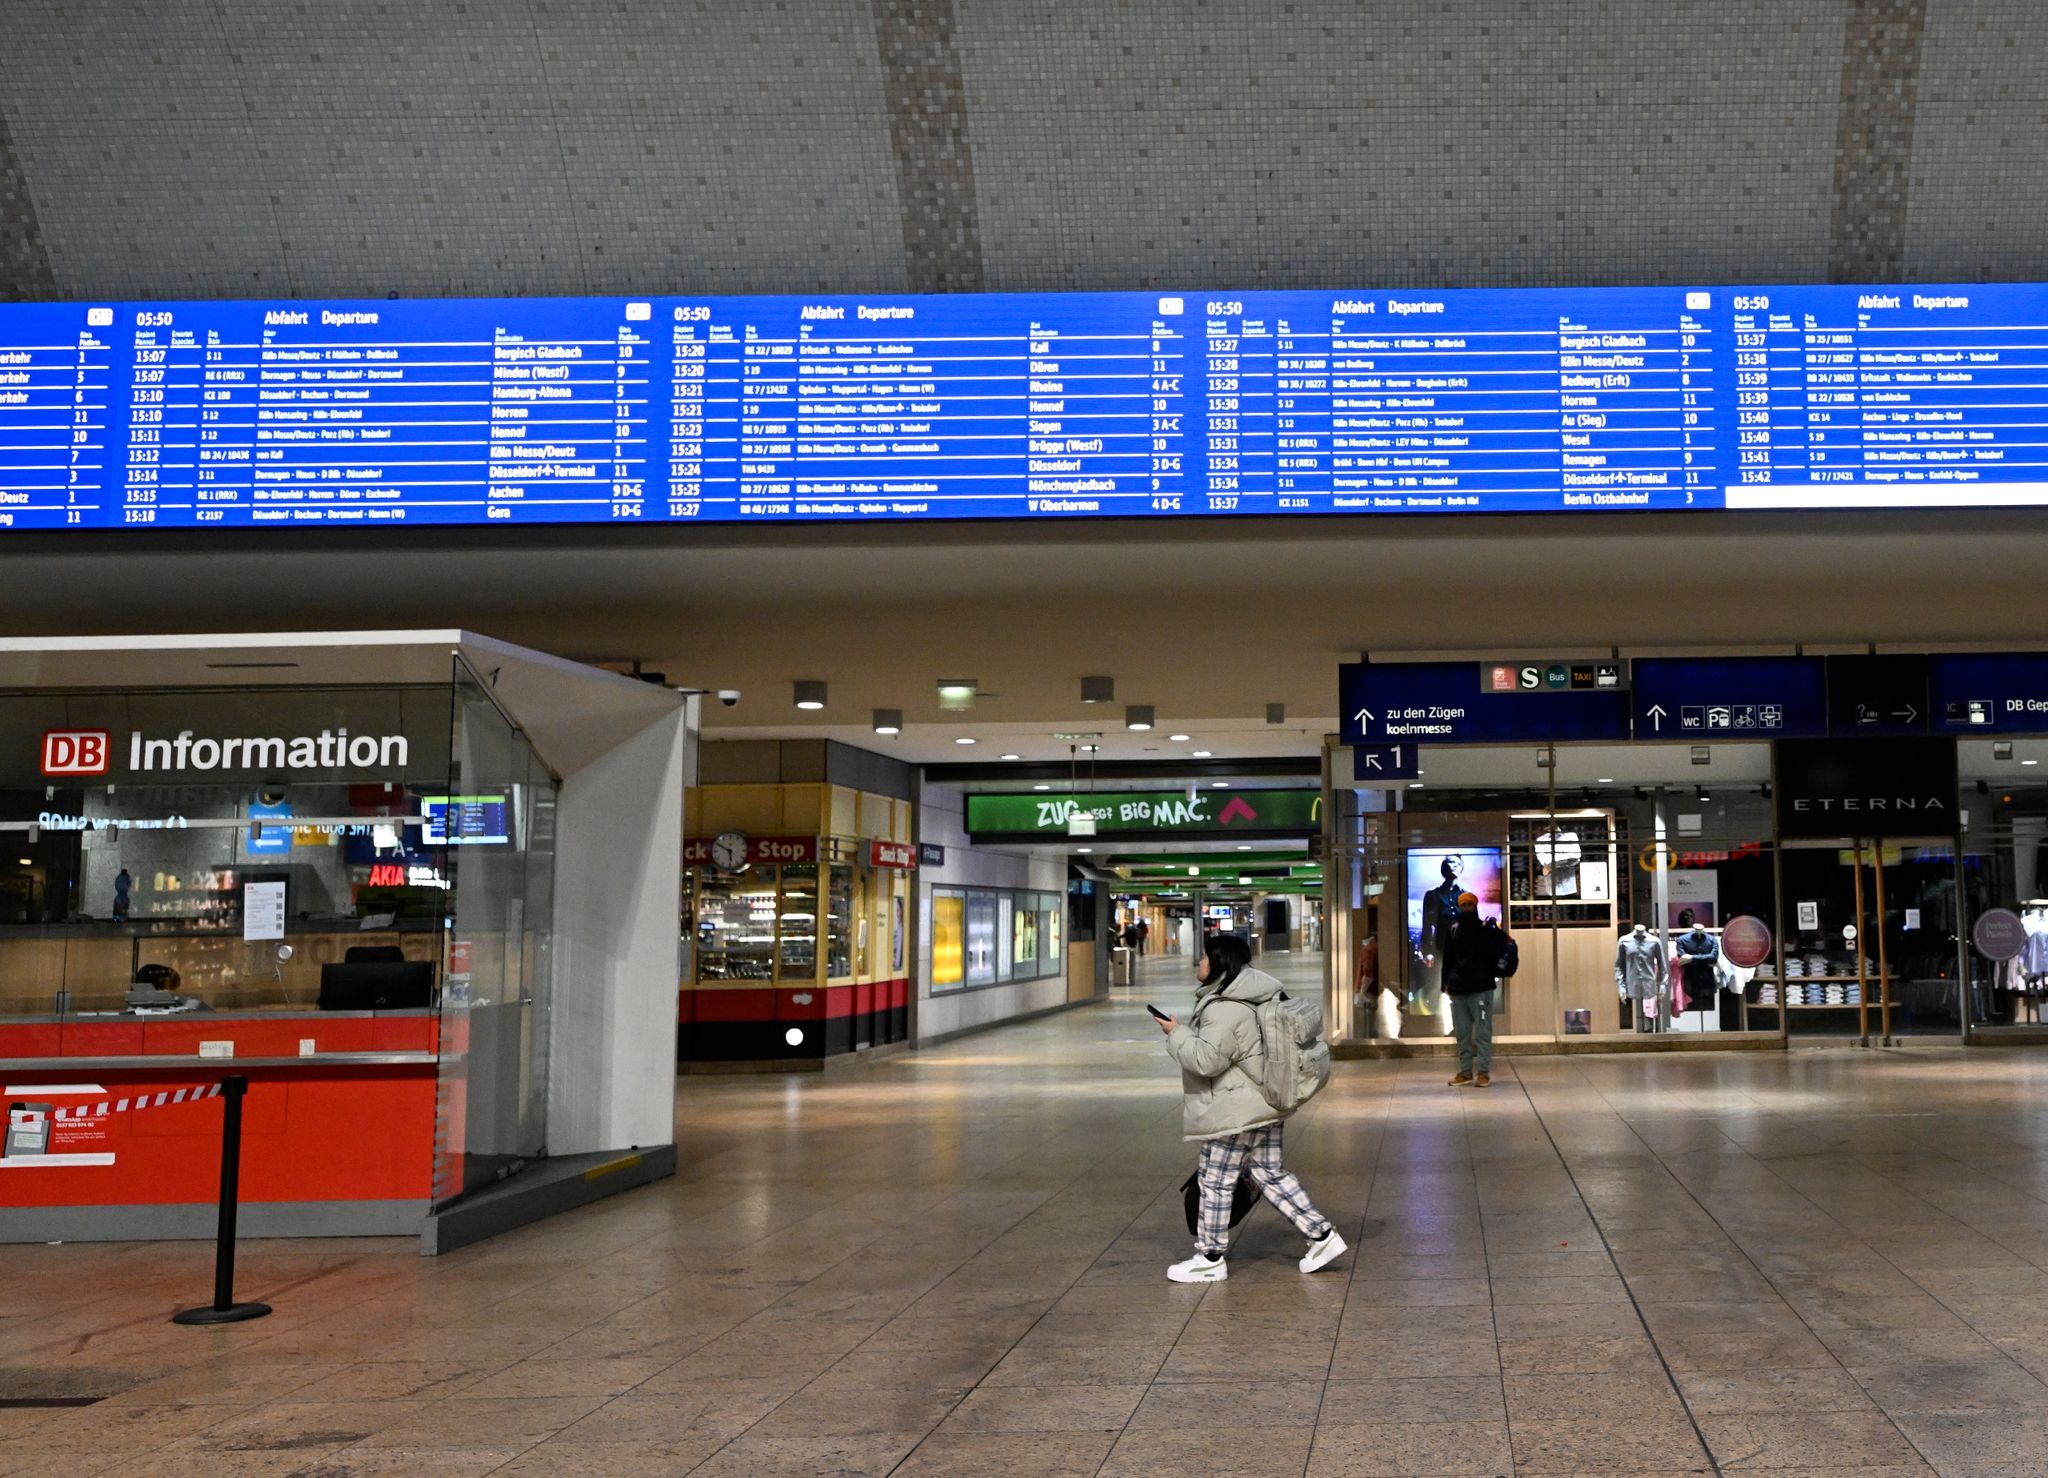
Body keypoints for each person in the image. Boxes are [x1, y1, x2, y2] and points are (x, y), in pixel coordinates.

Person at [1154, 932, 1346, 1283]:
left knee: (1214, 1178)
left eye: (1203, 957)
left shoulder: (1225, 1008)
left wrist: (1175, 1034)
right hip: (1266, 1104)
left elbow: (1206, 1060)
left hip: (1236, 1112)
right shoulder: (1259, 994)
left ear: (1219, 963)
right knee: (1270, 1174)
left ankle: (1209, 1257)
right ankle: (1322, 1237)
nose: (1198, 962)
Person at [1441, 891, 1509, 1088]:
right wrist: (1445, 982)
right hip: (1459, 989)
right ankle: (1465, 1072)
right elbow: (1448, 958)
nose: (1468, 908)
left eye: (1470, 904)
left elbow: (1502, 948)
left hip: (1480, 988)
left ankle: (1483, 1073)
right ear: (1459, 906)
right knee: (1462, 1033)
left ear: (1476, 905)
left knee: (1482, 1032)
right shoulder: (1453, 929)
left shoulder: (1485, 928)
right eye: (1464, 904)